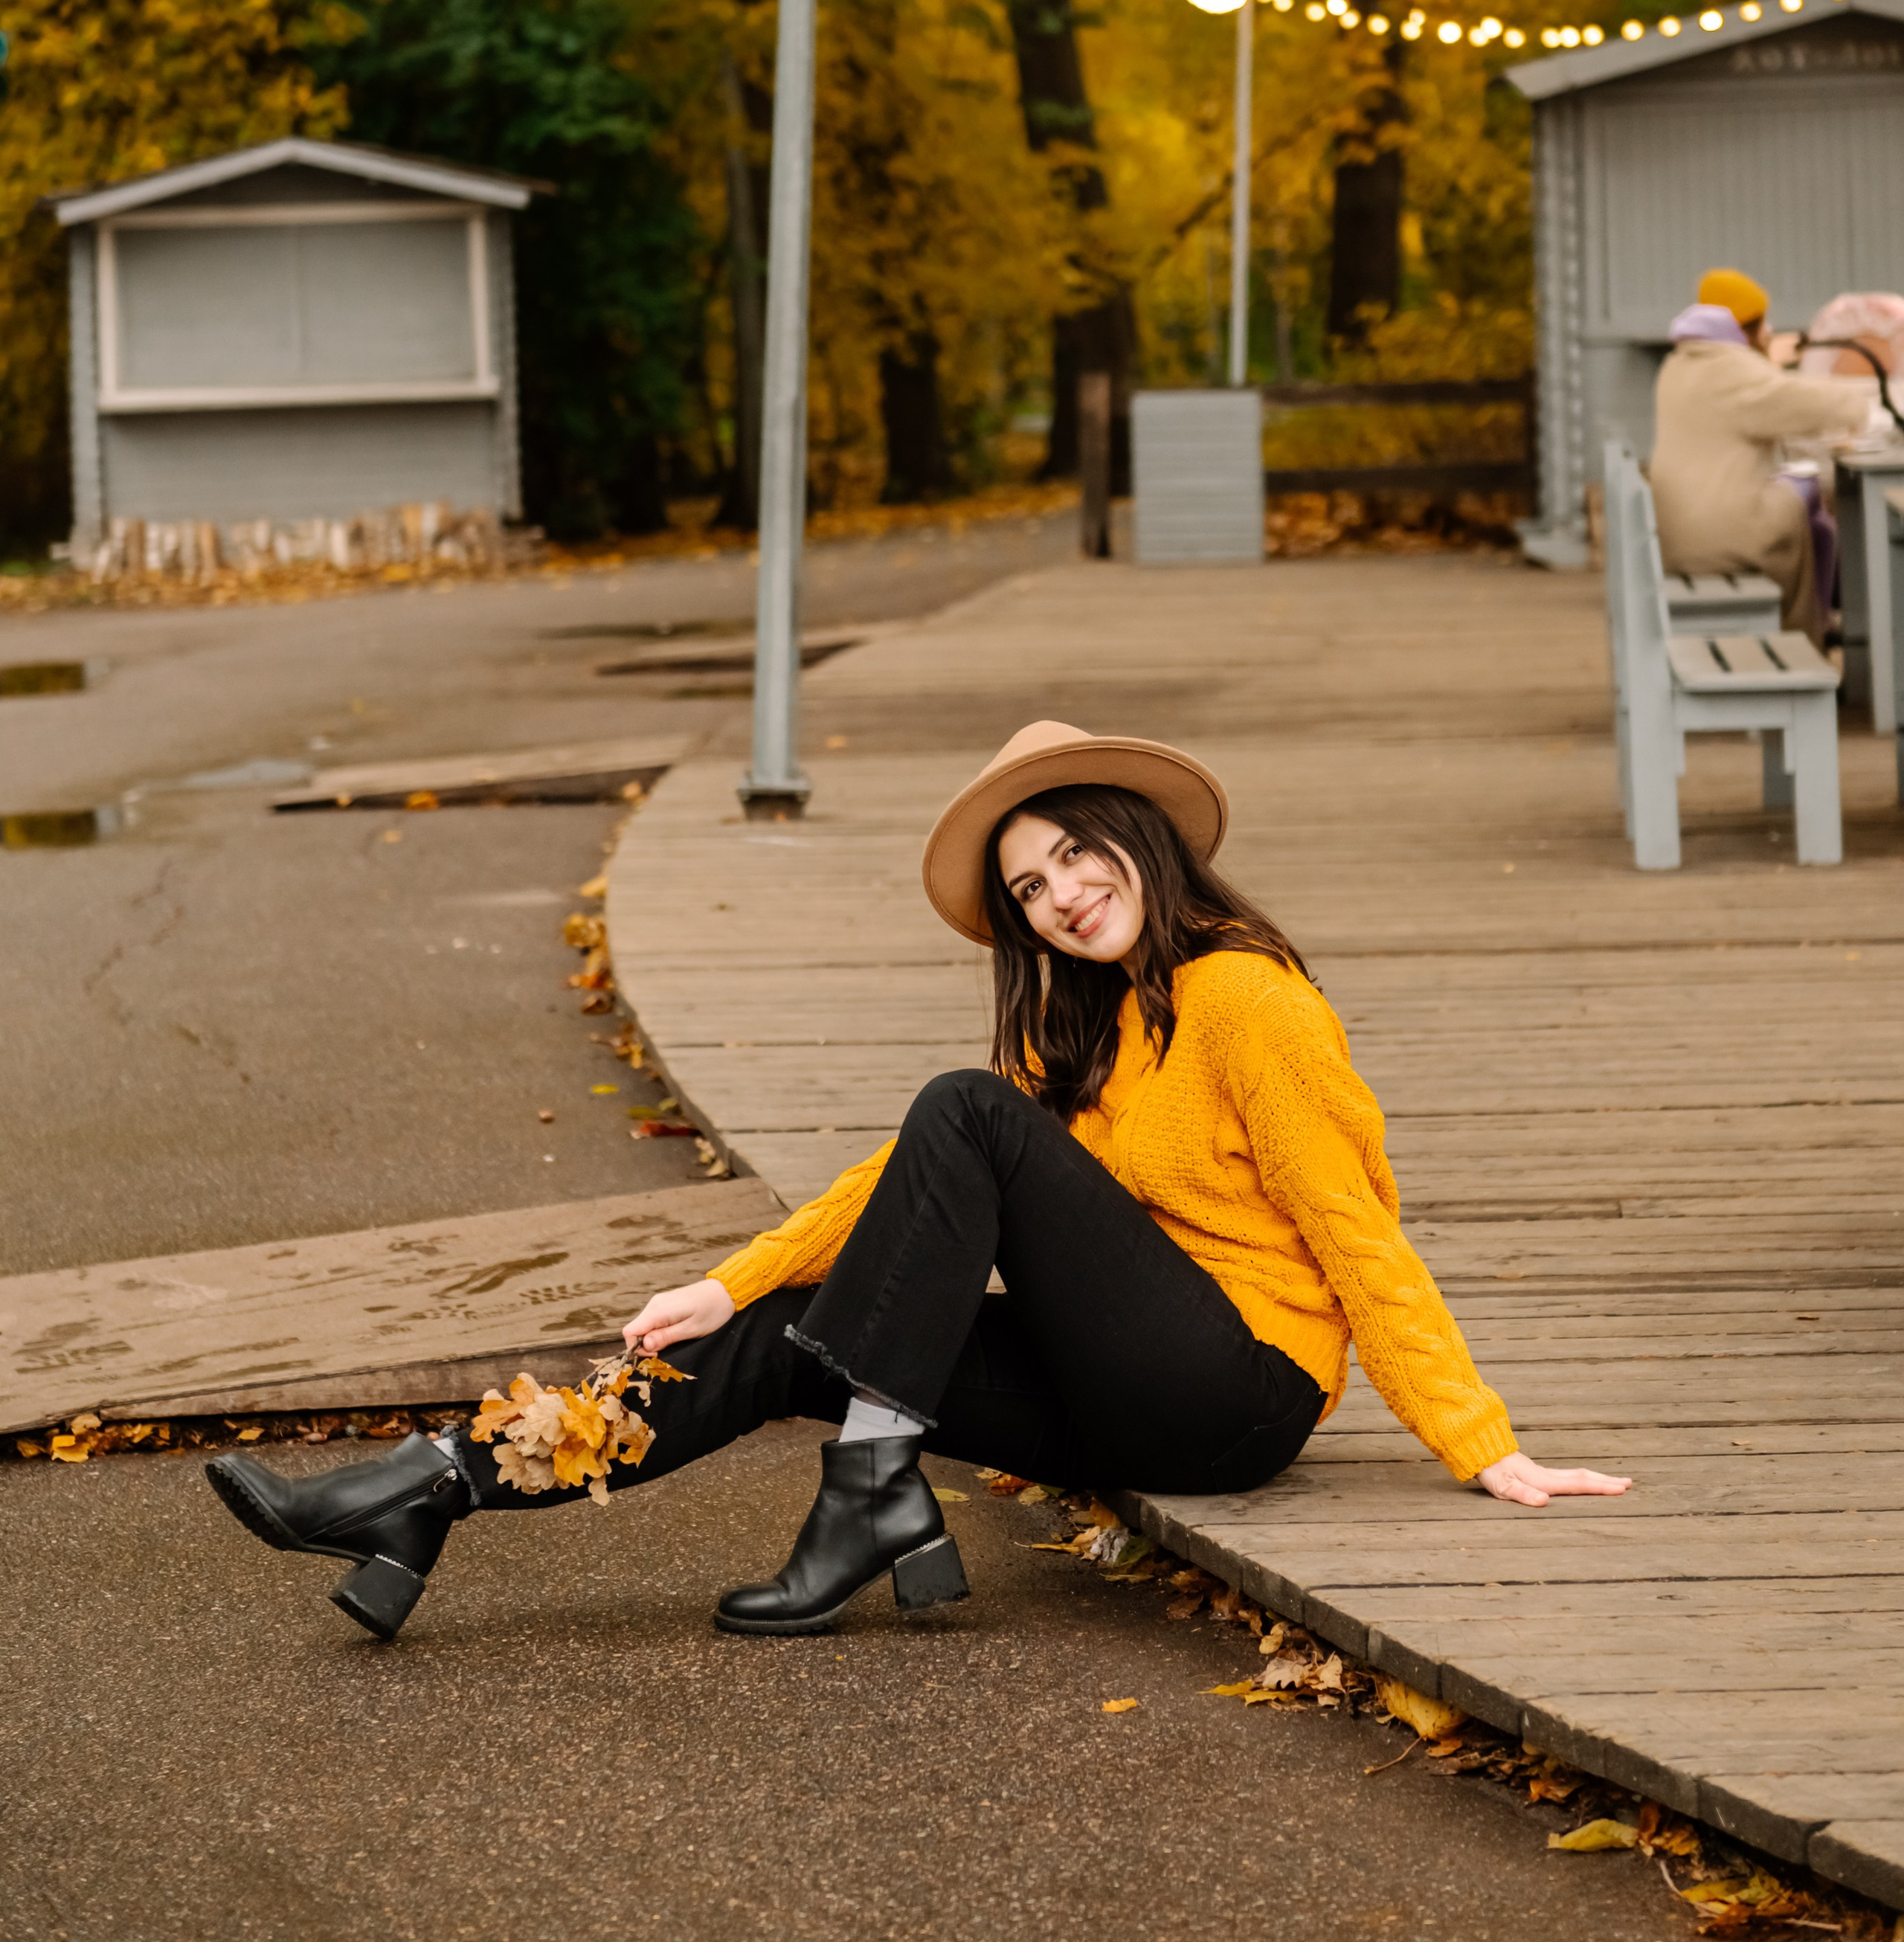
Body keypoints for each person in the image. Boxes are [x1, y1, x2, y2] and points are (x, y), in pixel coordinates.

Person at [205, 720, 1628, 1642]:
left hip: (1240, 1387)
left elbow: (1353, 1229)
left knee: (965, 1115)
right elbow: (903, 1182)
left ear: (1140, 838)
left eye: (1078, 853)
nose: (1065, 895)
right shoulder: (1080, 1028)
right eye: (1031, 889)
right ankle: (434, 1489)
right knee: (780, 1334)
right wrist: (726, 1281)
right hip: (1121, 1382)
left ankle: (872, 1484)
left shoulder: (1248, 1002)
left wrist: (1477, 1438)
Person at [1650, 267, 1875, 644]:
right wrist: (1862, 405)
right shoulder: (1728, 370)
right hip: (1715, 538)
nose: (1769, 333)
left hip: (1684, 529)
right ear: (1745, 330)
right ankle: (1803, 636)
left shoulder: (1681, 365)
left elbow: (1774, 399)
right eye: (1761, 325)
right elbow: (1801, 403)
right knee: (1808, 496)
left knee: (1808, 506)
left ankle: (1817, 622)